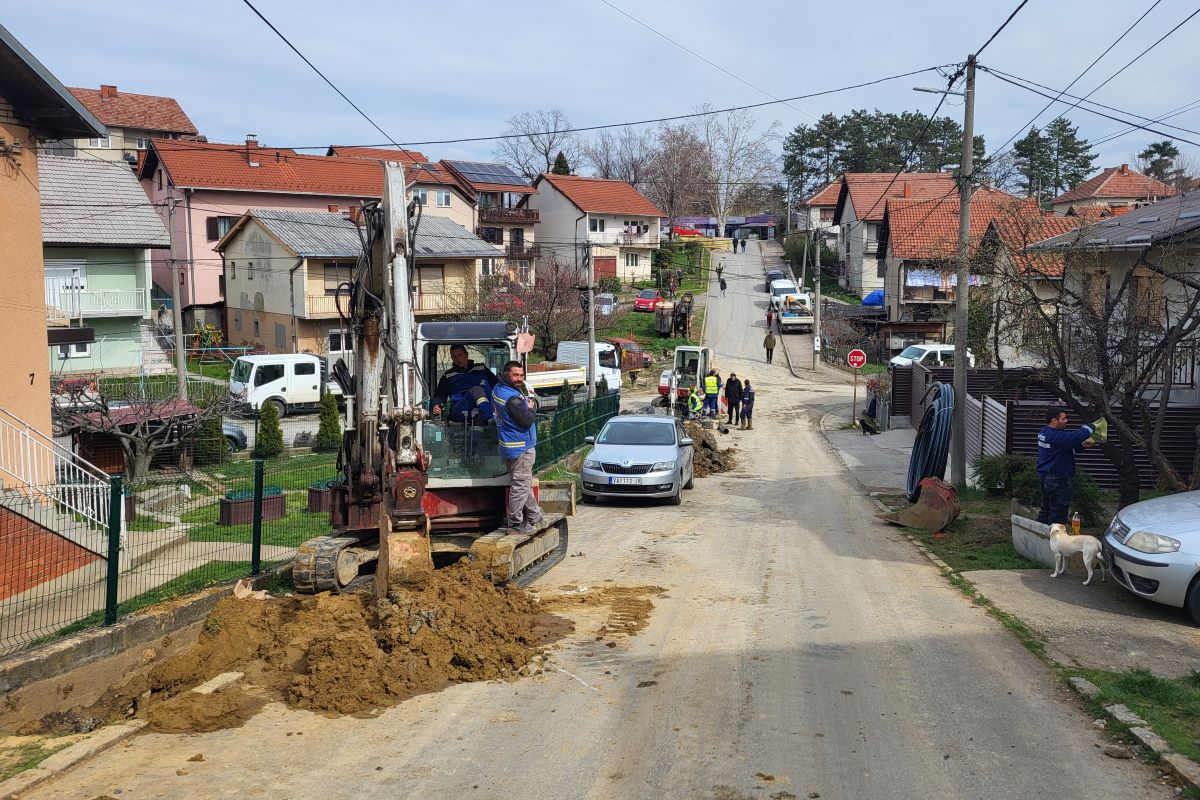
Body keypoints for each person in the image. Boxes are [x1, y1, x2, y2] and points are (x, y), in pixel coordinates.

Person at [492, 361, 543, 533]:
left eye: (521, 375)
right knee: (520, 486)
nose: (519, 379)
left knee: (523, 483)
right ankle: (515, 522)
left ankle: (535, 515)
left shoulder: (498, 390)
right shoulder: (513, 399)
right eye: (515, 375)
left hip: (509, 445)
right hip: (521, 447)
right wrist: (531, 407)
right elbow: (527, 421)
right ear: (506, 374)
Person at [1036, 408, 1096, 526]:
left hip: (1046, 478)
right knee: (1058, 515)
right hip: (1059, 480)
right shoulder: (1055, 436)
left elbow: (1062, 449)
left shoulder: (1044, 433)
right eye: (1063, 418)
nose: (1066, 421)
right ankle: (1056, 541)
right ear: (1054, 420)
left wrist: (1081, 446)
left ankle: (1041, 538)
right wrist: (1091, 426)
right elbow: (1077, 435)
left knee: (1045, 511)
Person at [430, 345, 497, 423]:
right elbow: (440, 394)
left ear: (466, 355)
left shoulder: (481, 369)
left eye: (460, 355)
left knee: (477, 413)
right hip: (460, 409)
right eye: (454, 356)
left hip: (480, 409)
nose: (458, 358)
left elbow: (497, 386)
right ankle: (491, 419)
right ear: (452, 358)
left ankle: (486, 417)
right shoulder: (449, 375)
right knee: (476, 390)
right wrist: (436, 404)